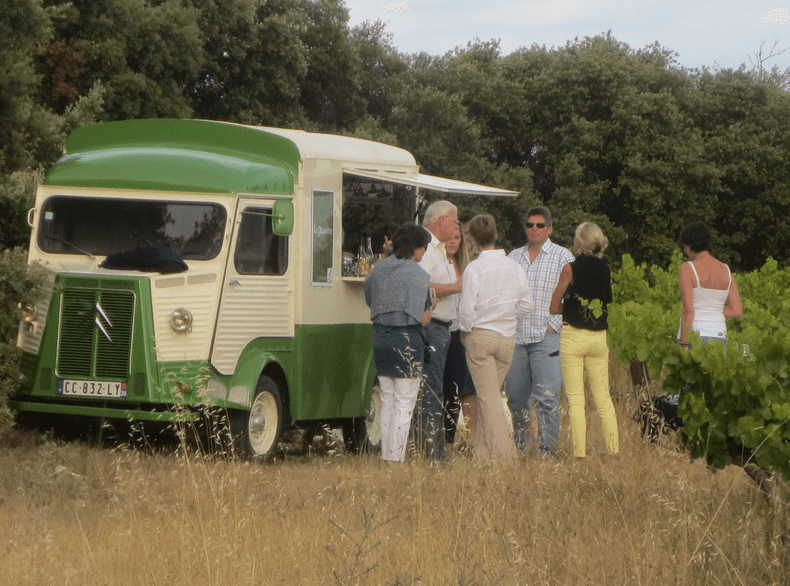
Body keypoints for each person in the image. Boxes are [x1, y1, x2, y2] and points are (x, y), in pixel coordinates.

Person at [459, 214, 534, 459]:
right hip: (507, 338)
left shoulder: (475, 268)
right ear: (496, 234)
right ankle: (482, 457)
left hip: (481, 335)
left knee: (489, 400)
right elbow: (527, 305)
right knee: (487, 398)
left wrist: (465, 331)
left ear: (471, 239)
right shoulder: (514, 266)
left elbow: (467, 308)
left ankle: (506, 456)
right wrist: (508, 314)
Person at [505, 206, 574, 456]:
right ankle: (523, 448)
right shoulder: (513, 257)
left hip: (547, 337)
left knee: (547, 398)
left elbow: (574, 297)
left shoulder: (563, 256)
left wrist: (553, 325)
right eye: (529, 225)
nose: (534, 229)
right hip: (516, 336)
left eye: (539, 225)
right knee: (516, 397)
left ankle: (548, 453)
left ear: (550, 229)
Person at [549, 222, 618, 461]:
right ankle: (613, 450)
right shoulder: (605, 269)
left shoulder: (570, 268)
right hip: (599, 337)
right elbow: (606, 299)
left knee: (576, 400)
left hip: (574, 336)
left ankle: (580, 454)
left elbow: (553, 305)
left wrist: (567, 308)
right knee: (603, 397)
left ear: (579, 242)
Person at [365, 223, 433, 463]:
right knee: (404, 403)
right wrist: (431, 309)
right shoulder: (419, 275)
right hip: (407, 340)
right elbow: (423, 318)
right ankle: (396, 458)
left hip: (381, 338)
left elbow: (369, 299)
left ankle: (386, 455)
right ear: (415, 248)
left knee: (387, 400)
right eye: (423, 248)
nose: (424, 252)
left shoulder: (379, 270)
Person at [414, 200, 462, 461]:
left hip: (443, 328)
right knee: (432, 391)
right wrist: (456, 287)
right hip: (431, 327)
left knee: (438, 390)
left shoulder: (440, 250)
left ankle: (433, 450)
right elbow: (422, 284)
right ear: (441, 220)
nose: (457, 226)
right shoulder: (426, 248)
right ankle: (432, 455)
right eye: (455, 221)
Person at [676, 222, 743, 348]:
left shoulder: (687, 269)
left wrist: (684, 343)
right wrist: (713, 312)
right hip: (720, 336)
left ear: (690, 245)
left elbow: (688, 311)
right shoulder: (726, 270)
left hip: (694, 336)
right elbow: (737, 311)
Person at [441, 222, 471, 458]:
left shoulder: (467, 267)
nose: (453, 242)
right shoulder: (438, 263)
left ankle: (449, 443)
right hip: (441, 329)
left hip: (461, 334)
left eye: (457, 238)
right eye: (449, 237)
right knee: (436, 388)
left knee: (455, 390)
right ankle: (430, 442)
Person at [458, 213, 479, 444]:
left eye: (469, 234)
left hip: (475, 332)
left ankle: (475, 438)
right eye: (463, 234)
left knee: (472, 388)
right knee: (463, 387)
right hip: (455, 330)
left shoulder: (480, 262)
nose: (466, 239)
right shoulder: (452, 259)